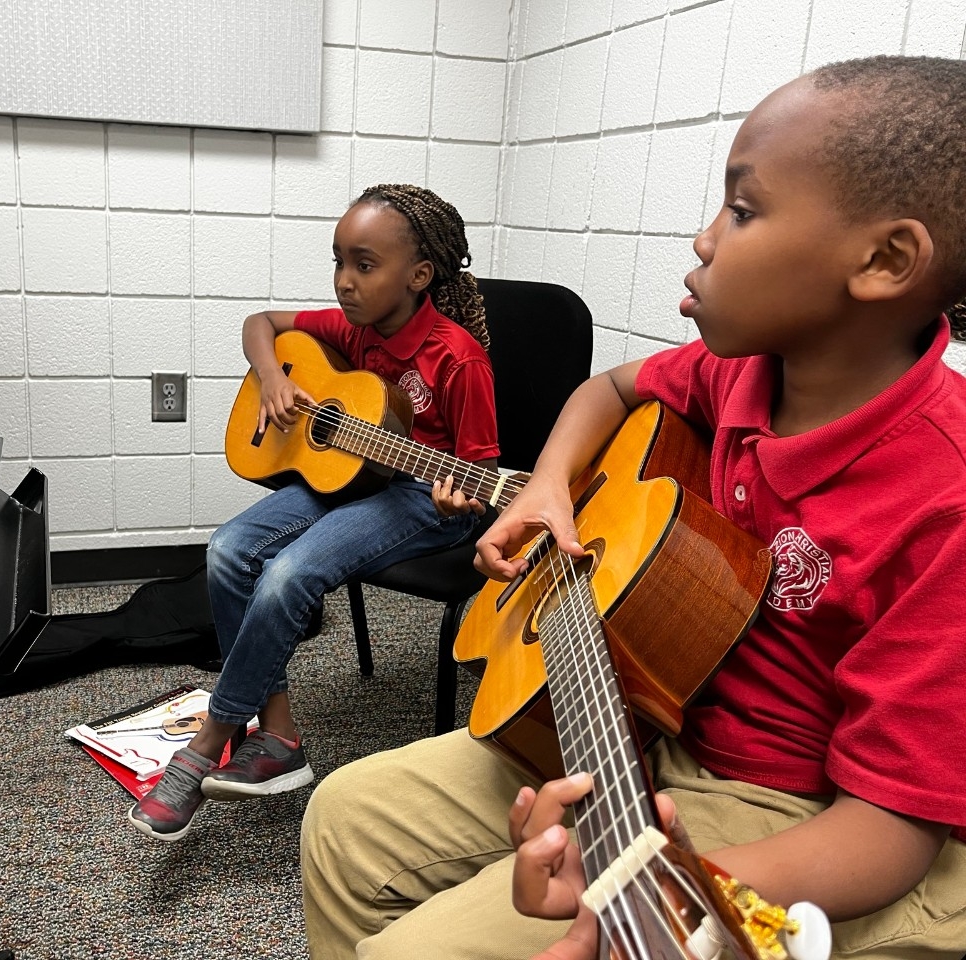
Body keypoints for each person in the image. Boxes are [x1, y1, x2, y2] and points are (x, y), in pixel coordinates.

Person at [301, 55, 966, 960]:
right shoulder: (740, 369)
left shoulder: (946, 498)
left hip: (794, 804)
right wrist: (548, 486)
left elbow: (890, 835)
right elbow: (608, 389)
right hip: (656, 706)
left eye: (742, 208)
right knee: (341, 817)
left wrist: (662, 877)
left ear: (885, 260)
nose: (703, 239)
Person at [128, 184, 501, 842]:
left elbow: (481, 471)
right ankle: (278, 732)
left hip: (424, 498)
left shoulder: (457, 358)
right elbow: (260, 325)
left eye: (364, 264)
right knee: (228, 549)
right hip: (352, 474)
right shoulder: (350, 329)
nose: (345, 282)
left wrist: (461, 495)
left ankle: (212, 737)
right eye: (339, 261)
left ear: (418, 276)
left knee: (287, 573)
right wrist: (272, 375)